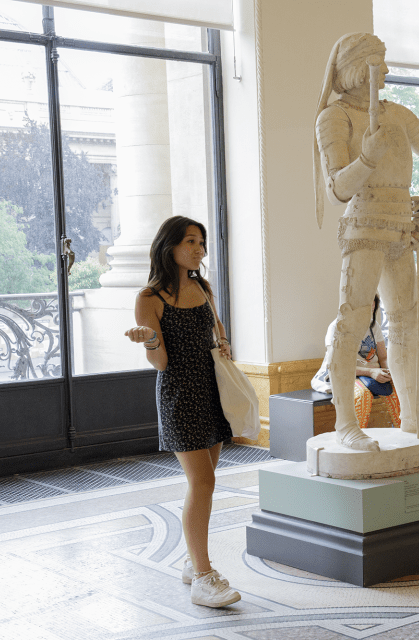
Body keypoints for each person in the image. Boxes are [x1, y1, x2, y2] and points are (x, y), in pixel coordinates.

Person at [313, 32, 419, 451]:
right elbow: (338, 188)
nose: (387, 70)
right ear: (357, 67)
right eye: (378, 61)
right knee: (353, 322)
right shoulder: (334, 117)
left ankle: (414, 413)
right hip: (363, 227)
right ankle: (346, 423)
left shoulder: (396, 113)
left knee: (405, 323)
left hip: (400, 226)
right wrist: (368, 158)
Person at [124, 215, 241, 609]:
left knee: (204, 482)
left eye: (202, 243)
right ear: (169, 245)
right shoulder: (149, 299)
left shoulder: (201, 286)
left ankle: (194, 562)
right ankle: (204, 577)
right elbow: (160, 363)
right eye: (191, 241)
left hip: (211, 389)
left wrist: (224, 344)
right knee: (203, 482)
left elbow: (218, 327)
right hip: (179, 394)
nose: (199, 249)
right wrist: (151, 339)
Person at [312, 295, 402, 429]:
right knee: (362, 395)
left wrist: (390, 373)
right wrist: (371, 372)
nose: (369, 314)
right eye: (365, 310)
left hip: (372, 372)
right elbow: (337, 366)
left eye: (372, 309)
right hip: (344, 375)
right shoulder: (337, 328)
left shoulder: (374, 326)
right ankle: (357, 435)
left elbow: (383, 358)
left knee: (399, 390)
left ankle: (404, 433)